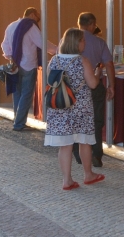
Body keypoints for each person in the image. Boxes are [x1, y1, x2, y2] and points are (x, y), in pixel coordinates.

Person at [44, 28, 104, 190]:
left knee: (65, 145)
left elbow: (51, 83)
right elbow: (92, 84)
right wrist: (97, 73)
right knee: (84, 141)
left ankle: (67, 180)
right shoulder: (82, 61)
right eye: (83, 40)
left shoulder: (54, 60)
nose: (85, 42)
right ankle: (88, 174)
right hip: (80, 107)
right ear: (76, 42)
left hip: (60, 107)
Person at [1, 7, 56, 131]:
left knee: (17, 93)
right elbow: (42, 43)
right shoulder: (31, 26)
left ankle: (17, 120)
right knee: (26, 94)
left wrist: (11, 58)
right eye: (37, 16)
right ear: (32, 15)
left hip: (14, 65)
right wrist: (57, 50)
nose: (38, 20)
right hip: (28, 64)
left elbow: (4, 45)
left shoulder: (11, 26)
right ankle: (19, 123)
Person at [72, 12, 115, 168]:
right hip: (94, 86)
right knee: (96, 121)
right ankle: (96, 154)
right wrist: (111, 85)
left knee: (77, 120)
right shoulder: (99, 42)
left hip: (74, 87)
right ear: (92, 24)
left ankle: (78, 154)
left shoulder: (68, 40)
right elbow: (109, 64)